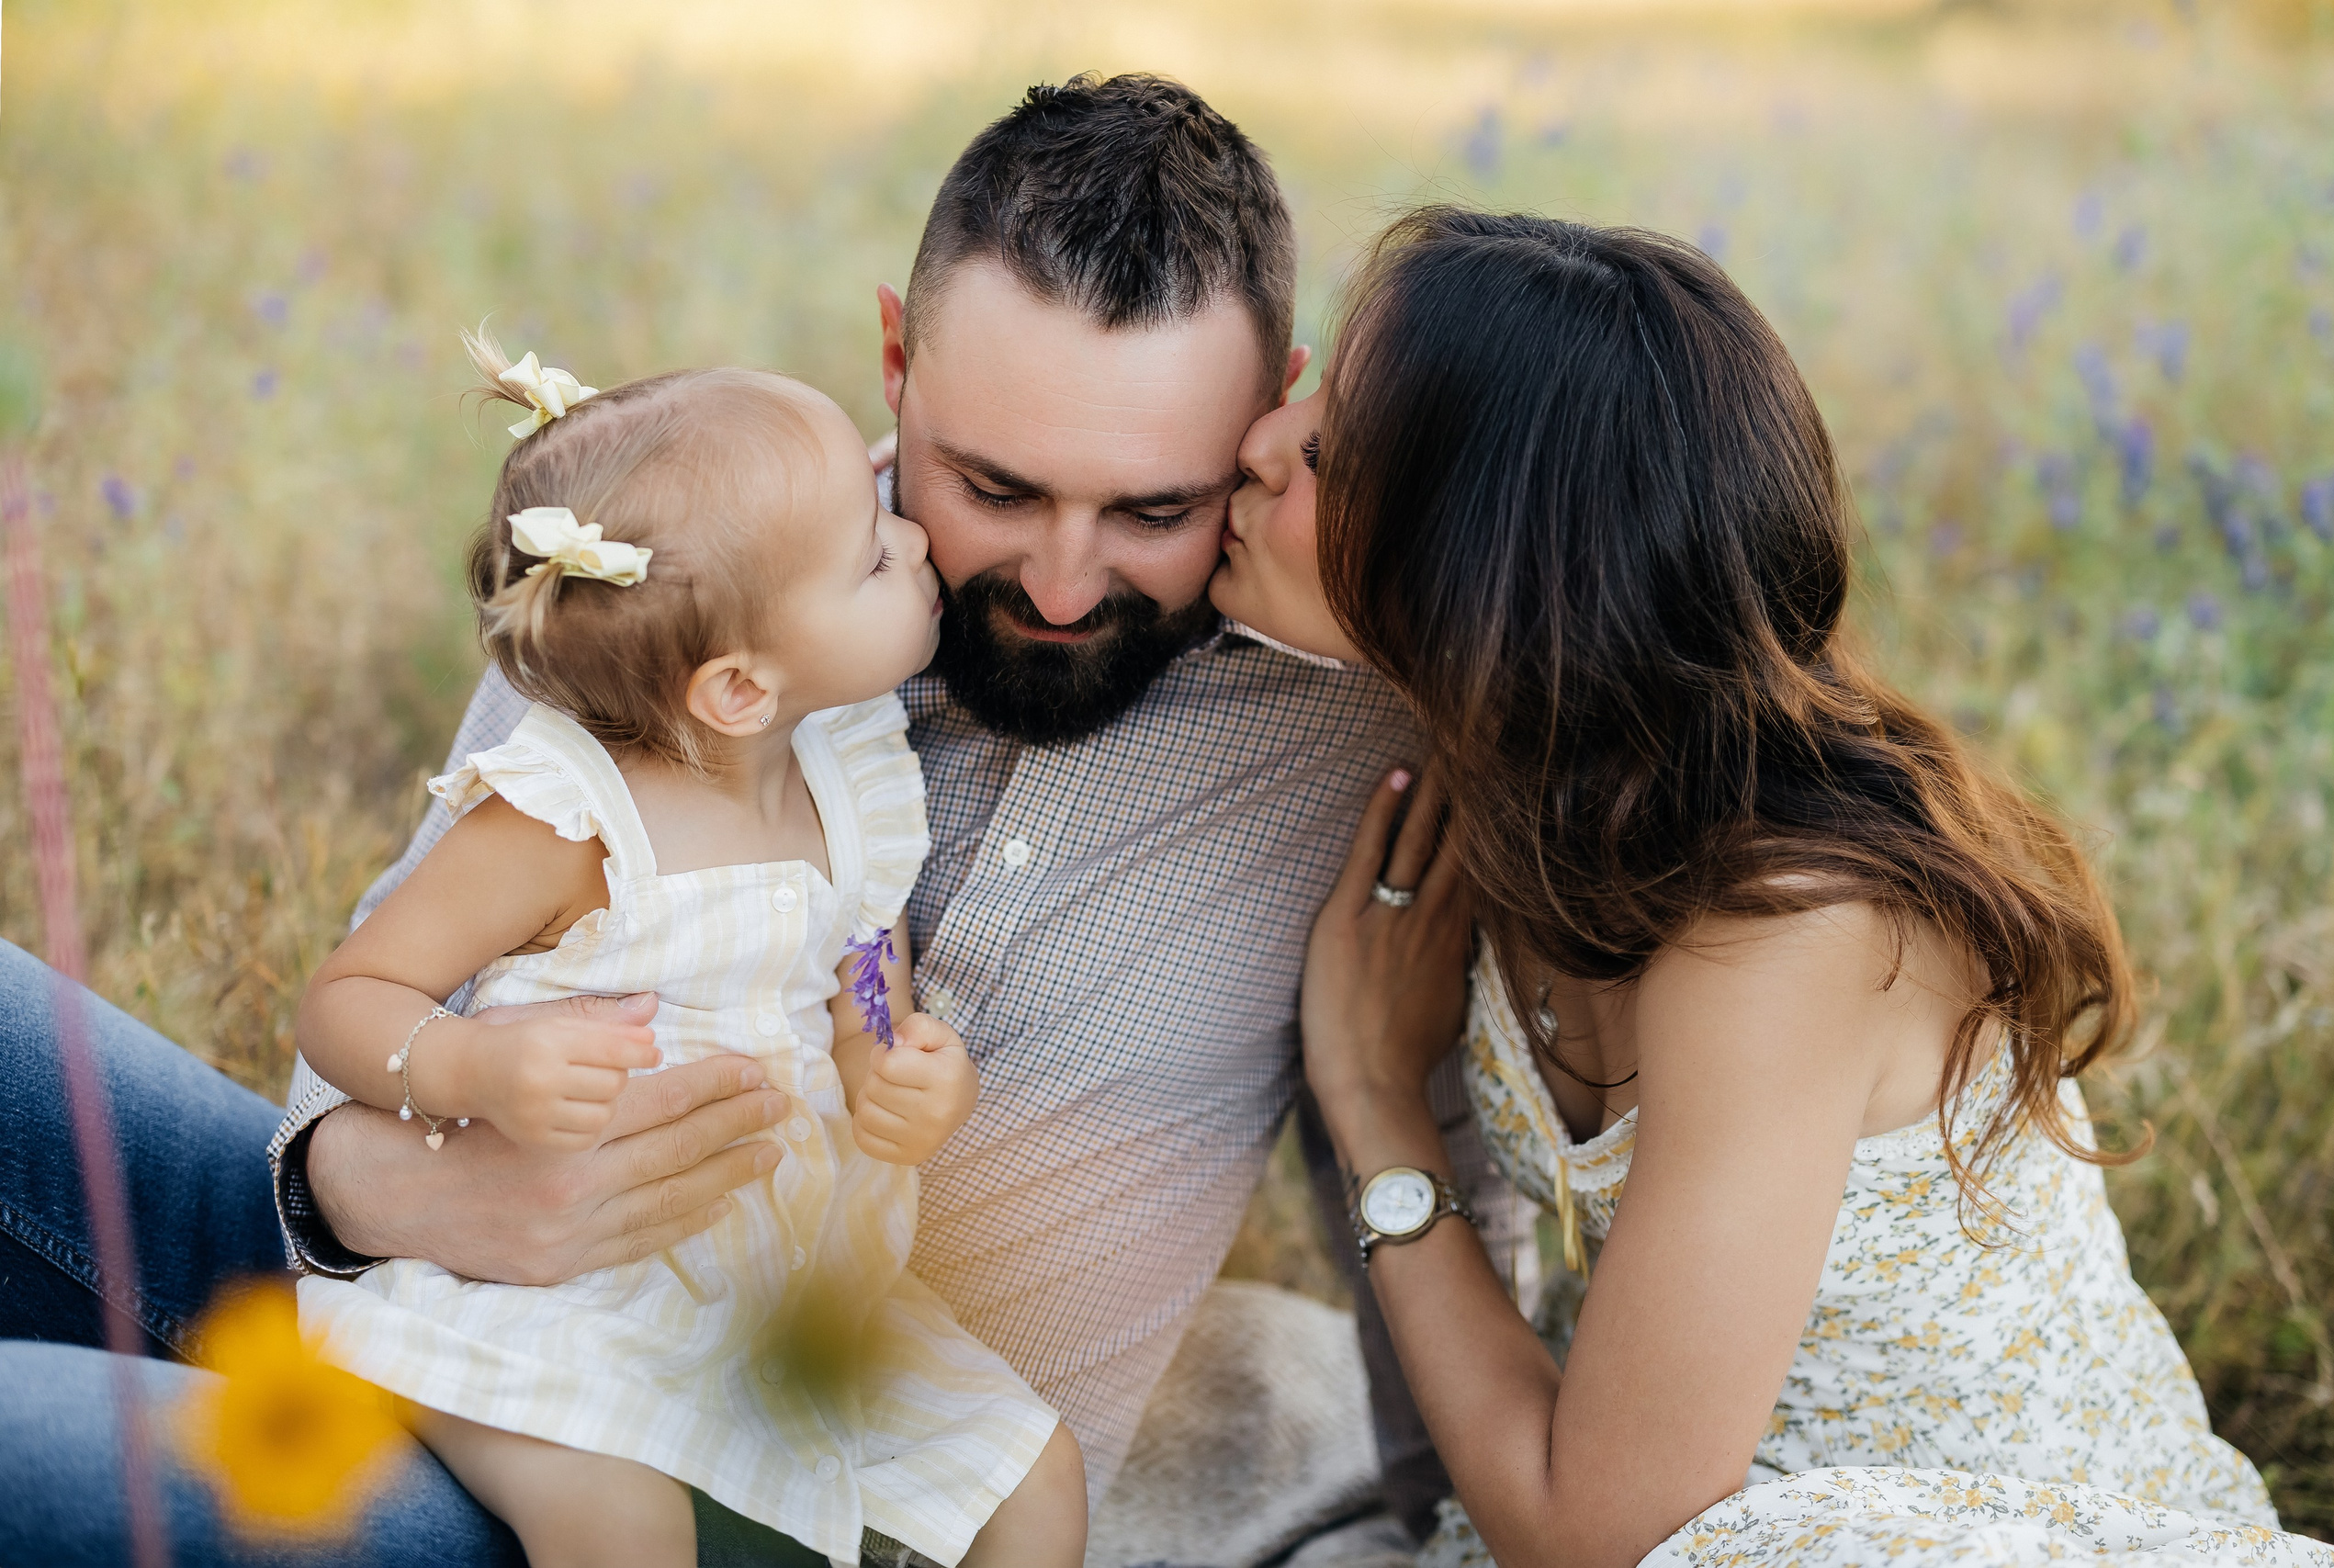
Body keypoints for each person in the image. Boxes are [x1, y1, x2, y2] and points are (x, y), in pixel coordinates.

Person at [0, 75, 1501, 1564]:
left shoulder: (1358, 737)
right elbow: (383, 1012)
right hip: (489, 1349)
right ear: (897, 358)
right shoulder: (679, 585)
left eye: (1153, 512)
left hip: (807, 1497)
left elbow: (1453, 1171)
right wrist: (402, 1189)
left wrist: (1441, 1513)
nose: (1060, 584)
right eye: (993, 489)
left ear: (1270, 416)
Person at [1214, 209, 2334, 1568]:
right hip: (1687, 1486)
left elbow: (1597, 1539)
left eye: (1328, 453)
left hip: (1934, 1531)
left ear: (1478, 570)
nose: (1260, 440)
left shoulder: (1786, 932)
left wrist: (1374, 1102)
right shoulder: (1509, 780)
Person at [292, 340, 1086, 1567]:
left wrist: (896, 1068)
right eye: (875, 557)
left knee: (1034, 1472)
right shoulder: (571, 821)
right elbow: (351, 996)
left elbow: (864, 982)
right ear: (738, 690)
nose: (915, 540)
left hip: (788, 1290)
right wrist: (473, 1069)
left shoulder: (853, 779)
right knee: (618, 1516)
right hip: (572, 1298)